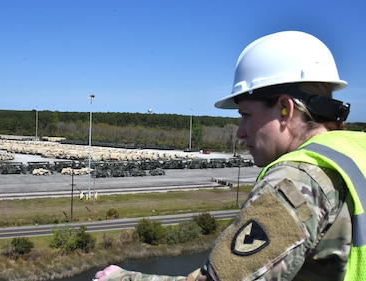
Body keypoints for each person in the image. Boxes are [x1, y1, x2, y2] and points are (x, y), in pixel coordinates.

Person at [94, 30, 366, 281]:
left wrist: (122, 278)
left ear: (285, 108)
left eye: (246, 115)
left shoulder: (295, 179)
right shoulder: (355, 154)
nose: (240, 133)